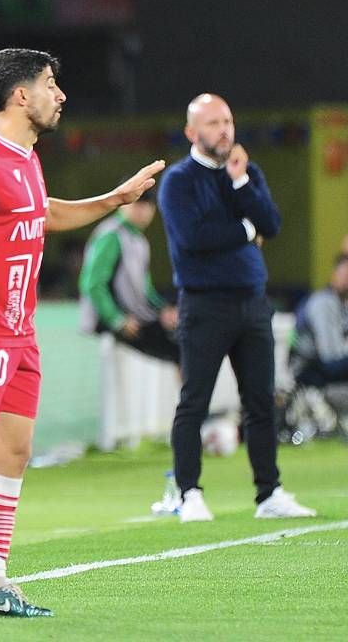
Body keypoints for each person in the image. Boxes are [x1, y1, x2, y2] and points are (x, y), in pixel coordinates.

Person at [0, 48, 164, 620]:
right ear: (20, 95)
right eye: (52, 84)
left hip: (19, 332)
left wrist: (112, 201)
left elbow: (40, 213)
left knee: (15, 450)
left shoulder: (26, 156)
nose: (61, 95)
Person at [157, 93, 315, 523]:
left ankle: (270, 494)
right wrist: (247, 229)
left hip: (252, 302)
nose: (223, 129)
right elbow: (194, 239)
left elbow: (274, 224)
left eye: (227, 120)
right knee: (195, 402)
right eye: (212, 123)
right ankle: (189, 493)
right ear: (192, 132)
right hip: (205, 305)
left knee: (262, 403)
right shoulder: (179, 181)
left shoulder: (245, 172)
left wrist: (243, 184)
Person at [78, 186, 180, 363]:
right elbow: (93, 283)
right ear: (121, 205)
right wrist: (117, 319)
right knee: (182, 346)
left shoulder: (139, 240)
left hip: (136, 315)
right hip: (112, 320)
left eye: (147, 205)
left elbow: (145, 288)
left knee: (183, 336)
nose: (142, 210)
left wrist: (164, 309)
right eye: (137, 204)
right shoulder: (111, 235)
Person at [291, 253, 348, 389]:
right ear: (334, 275)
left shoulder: (342, 304)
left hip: (326, 366)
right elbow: (331, 353)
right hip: (308, 369)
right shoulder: (323, 302)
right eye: (344, 274)